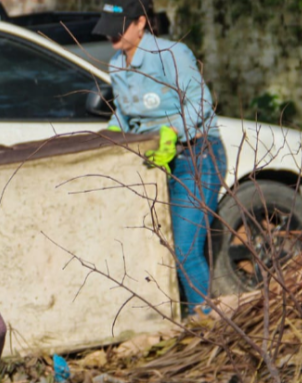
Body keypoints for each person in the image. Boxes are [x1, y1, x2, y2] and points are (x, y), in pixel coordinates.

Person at [92, 0, 227, 314]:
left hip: (197, 155)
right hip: (158, 161)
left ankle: (206, 322)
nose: (112, 36)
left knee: (184, 249)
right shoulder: (117, 65)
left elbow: (202, 102)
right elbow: (127, 117)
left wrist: (173, 131)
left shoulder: (171, 55)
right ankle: (188, 315)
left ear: (140, 23)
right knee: (161, 247)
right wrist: (108, 135)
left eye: (120, 28)